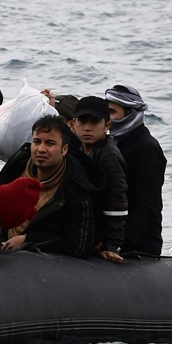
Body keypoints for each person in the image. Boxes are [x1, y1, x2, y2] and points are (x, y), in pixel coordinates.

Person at [0, 115, 104, 257]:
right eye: (37, 141)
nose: (41, 149)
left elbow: (79, 245)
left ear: (64, 149)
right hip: (0, 251)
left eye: (50, 143)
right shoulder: (17, 166)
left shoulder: (75, 189)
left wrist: (29, 240)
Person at [106, 84, 166, 257]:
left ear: (130, 114)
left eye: (112, 112)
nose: (107, 119)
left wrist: (120, 245)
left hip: (139, 244)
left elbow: (146, 204)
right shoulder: (113, 143)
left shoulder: (146, 148)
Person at [69, 95, 128, 262]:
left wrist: (112, 246)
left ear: (107, 126)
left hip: (101, 232)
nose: (88, 128)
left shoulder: (108, 156)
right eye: (83, 121)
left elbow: (118, 203)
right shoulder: (82, 149)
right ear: (74, 124)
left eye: (94, 122)